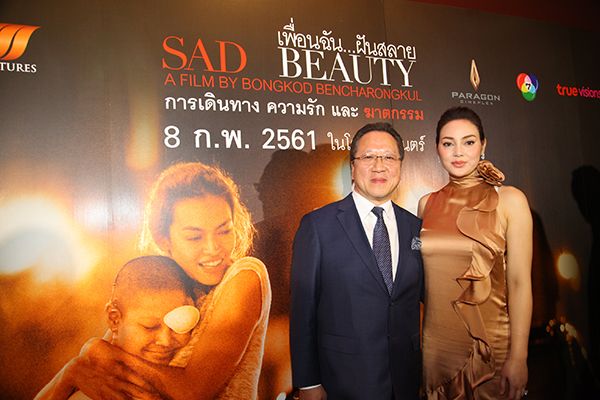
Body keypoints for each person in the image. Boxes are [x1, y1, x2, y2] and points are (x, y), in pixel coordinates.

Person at [37, 162, 272, 400]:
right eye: (194, 237)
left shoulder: (244, 275)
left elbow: (192, 392)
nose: (213, 248)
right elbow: (91, 362)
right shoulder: (161, 286)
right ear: (163, 239)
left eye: (224, 231)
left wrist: (109, 354)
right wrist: (70, 373)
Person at [290, 122, 424, 400]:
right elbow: (303, 311)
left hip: (407, 382)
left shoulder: (415, 227)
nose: (379, 166)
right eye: (368, 157)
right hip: (342, 382)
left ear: (400, 166)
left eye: (388, 157)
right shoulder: (318, 226)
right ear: (352, 167)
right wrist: (308, 383)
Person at [418, 106, 532, 400]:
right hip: (436, 350)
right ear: (437, 148)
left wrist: (518, 357)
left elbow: (519, 283)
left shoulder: (510, 200)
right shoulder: (426, 204)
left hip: (491, 351)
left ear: (483, 145)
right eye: (448, 143)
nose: (458, 152)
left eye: (468, 142)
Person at [35, 255, 200, 400]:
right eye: (150, 327)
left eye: (179, 325)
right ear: (114, 320)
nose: (165, 341)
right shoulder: (96, 384)